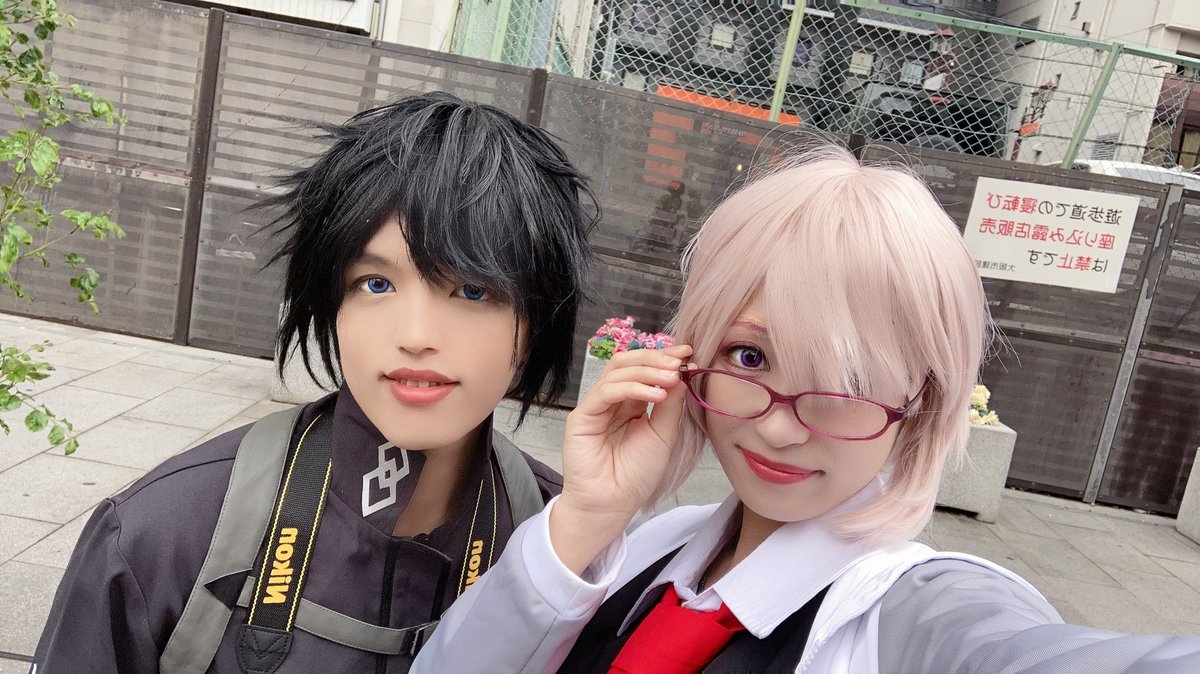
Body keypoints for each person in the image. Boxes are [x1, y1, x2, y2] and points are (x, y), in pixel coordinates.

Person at [412, 145, 1200, 673]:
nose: (782, 425)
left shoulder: (909, 615)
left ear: (919, 402)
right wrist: (588, 516)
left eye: (848, 381)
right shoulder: (651, 549)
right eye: (749, 357)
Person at [31, 92, 596, 673]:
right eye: (376, 284)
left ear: (536, 320)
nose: (416, 335)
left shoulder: (571, 548)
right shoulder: (165, 532)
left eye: (473, 290)